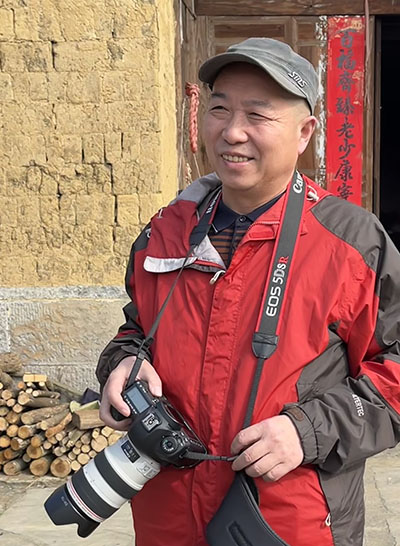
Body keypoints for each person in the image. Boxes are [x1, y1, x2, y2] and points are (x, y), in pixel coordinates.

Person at [96, 38, 400, 546]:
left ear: (304, 133)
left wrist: (309, 430)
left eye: (257, 115)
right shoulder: (166, 231)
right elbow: (137, 329)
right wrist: (122, 363)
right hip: (168, 518)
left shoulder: (352, 243)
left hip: (285, 522)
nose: (232, 131)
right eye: (220, 109)